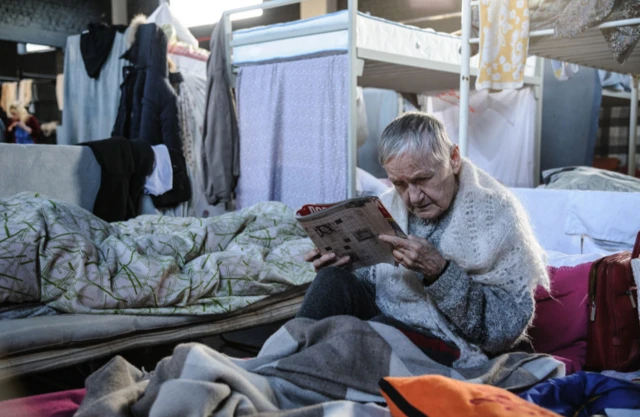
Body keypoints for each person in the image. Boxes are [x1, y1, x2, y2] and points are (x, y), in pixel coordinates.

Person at [298, 112, 549, 367]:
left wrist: (440, 273)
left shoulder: (499, 214)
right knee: (331, 281)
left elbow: (506, 329)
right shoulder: (386, 207)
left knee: (377, 331)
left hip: (450, 343)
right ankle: (281, 363)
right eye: (400, 184)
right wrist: (343, 266)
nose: (413, 197)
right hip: (389, 319)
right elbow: (372, 284)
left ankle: (301, 370)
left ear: (453, 159)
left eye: (422, 179)